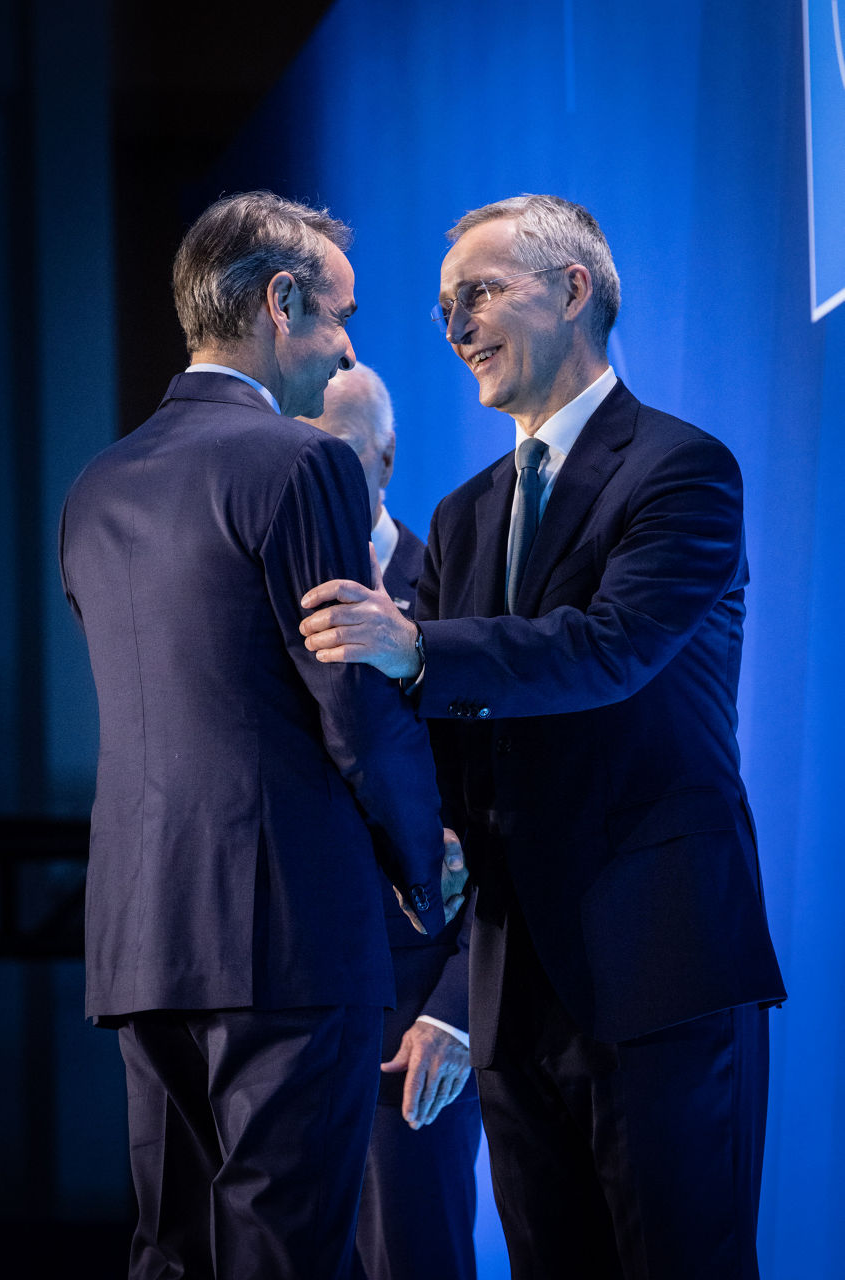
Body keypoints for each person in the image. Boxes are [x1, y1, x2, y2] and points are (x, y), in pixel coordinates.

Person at [298, 194, 787, 1279]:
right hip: (511, 991)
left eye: (477, 293)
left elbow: (605, 649)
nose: (457, 325)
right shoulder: (468, 512)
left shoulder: (681, 469)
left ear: (572, 290)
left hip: (657, 968)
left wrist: (416, 646)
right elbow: (466, 747)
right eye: (442, 310)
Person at [58, 191, 467, 1280]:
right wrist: (421, 859)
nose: (344, 349)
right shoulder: (302, 464)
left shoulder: (93, 488)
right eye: (338, 316)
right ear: (278, 302)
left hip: (140, 939)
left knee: (174, 1251)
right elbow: (351, 708)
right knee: (284, 1253)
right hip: (288, 935)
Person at [303, 363, 481, 1280]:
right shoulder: (259, 595)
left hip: (417, 1016)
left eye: (332, 457)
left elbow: (499, 816)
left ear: (385, 458)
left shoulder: (456, 589)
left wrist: (454, 1012)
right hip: (293, 1009)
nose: (310, 478)